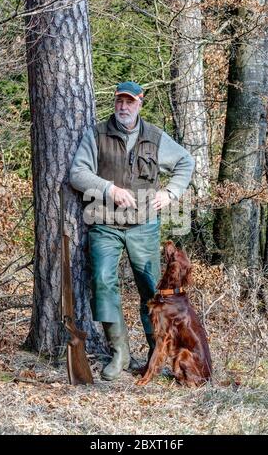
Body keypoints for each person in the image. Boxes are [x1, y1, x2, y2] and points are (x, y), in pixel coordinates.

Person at [70, 81, 195, 381]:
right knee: (102, 282)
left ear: (140, 103)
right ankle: (120, 353)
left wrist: (171, 193)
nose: (123, 107)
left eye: (129, 102)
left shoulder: (154, 137)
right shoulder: (97, 134)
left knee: (151, 291)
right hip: (104, 224)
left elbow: (185, 162)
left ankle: (156, 354)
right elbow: (78, 173)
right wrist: (108, 189)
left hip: (144, 224)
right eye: (119, 101)